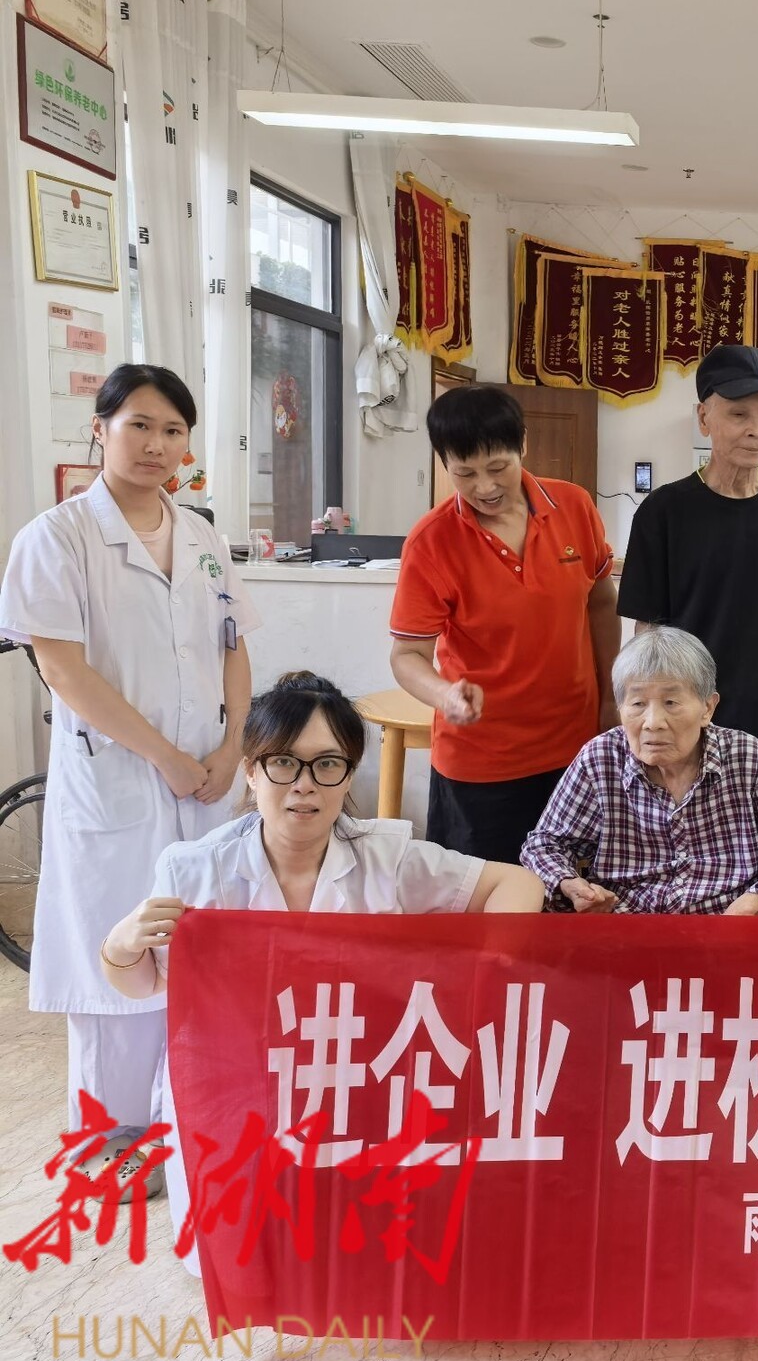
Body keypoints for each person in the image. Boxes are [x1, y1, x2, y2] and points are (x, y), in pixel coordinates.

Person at [99, 672, 545, 1267]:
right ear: (252, 771)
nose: (304, 785)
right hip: (238, 1089)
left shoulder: (386, 858)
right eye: (284, 763)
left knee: (359, 1257)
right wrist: (121, 946)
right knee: (246, 1261)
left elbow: (517, 884)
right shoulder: (195, 869)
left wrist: (480, 974)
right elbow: (147, 984)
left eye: (328, 764)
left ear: (349, 774)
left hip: (354, 1083)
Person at [0, 363, 258, 1183]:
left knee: (193, 947)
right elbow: (64, 671)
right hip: (117, 779)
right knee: (114, 955)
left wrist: (233, 745)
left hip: (205, 776)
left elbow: (233, 646)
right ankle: (108, 1140)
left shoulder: (203, 538)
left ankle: (181, 1124)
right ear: (101, 428)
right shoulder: (58, 537)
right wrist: (166, 756)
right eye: (139, 425)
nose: (156, 444)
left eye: (173, 430)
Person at [390, 385, 617, 862]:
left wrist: (612, 698)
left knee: (573, 893)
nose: (485, 488)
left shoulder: (573, 506)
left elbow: (600, 603)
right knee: (483, 897)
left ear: (523, 445)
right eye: (465, 473)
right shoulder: (432, 542)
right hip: (482, 763)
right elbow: (408, 655)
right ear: (444, 464)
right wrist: (444, 695)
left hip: (575, 748)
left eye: (498, 467)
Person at [620, 345, 758, 804]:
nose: (757, 430)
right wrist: (647, 719)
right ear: (704, 417)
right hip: (691, 734)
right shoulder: (664, 512)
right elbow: (647, 632)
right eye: (739, 414)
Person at [522, 627, 758, 914]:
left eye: (671, 702)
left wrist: (753, 902)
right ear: (620, 708)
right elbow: (544, 845)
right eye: (637, 703)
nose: (653, 722)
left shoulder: (747, 757)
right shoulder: (600, 759)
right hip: (626, 928)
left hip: (730, 925)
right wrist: (570, 884)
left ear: (708, 708)